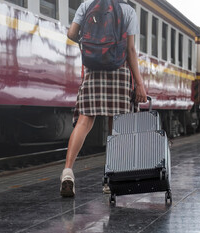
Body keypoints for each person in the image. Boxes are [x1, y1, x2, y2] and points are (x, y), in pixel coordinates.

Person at [60, 0, 147, 197]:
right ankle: (111, 178)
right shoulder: (127, 11)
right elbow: (131, 50)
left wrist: (93, 44)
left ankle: (67, 173)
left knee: (84, 121)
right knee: (115, 126)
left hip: (94, 70)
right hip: (119, 72)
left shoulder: (87, 5)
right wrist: (139, 83)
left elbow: (71, 34)